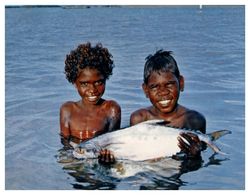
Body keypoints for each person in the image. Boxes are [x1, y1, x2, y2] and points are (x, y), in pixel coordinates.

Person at [130, 50, 206, 158]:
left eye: (169, 84)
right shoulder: (139, 119)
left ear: (181, 83)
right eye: (154, 87)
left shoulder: (194, 120)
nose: (163, 92)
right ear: (146, 90)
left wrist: (194, 156)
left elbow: (198, 161)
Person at [60, 42, 121, 164]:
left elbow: (112, 142)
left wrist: (107, 158)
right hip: (75, 158)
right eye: (84, 84)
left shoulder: (111, 109)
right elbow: (65, 143)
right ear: (74, 82)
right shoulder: (67, 110)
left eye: (99, 82)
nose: (92, 90)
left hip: (100, 160)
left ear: (105, 79)